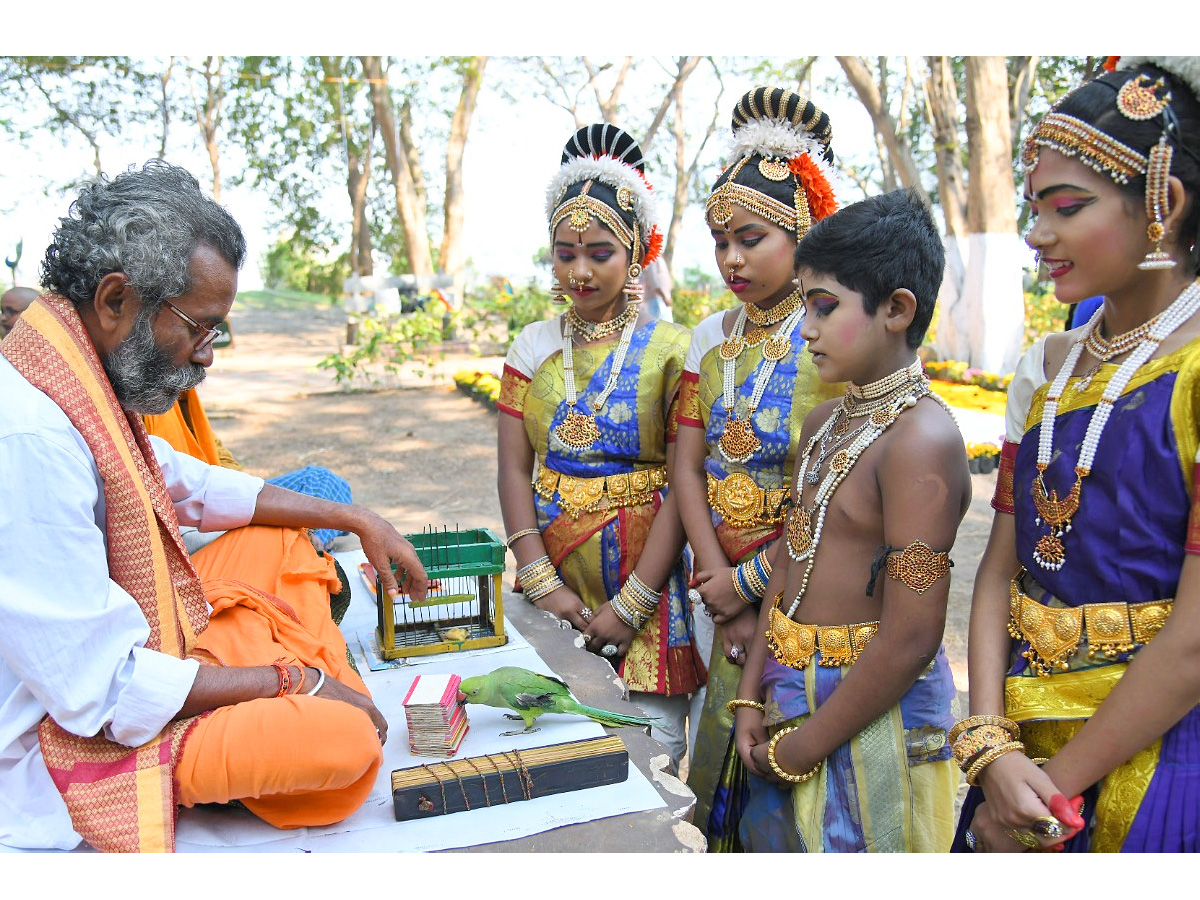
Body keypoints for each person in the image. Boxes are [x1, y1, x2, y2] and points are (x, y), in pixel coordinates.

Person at [0, 160, 429, 853]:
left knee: (287, 536)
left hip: (138, 653)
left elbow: (192, 484)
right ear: (116, 300)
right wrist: (298, 679)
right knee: (342, 740)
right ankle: (299, 681)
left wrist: (357, 519)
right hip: (67, 739)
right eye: (201, 328)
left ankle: (284, 670)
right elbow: (101, 693)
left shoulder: (71, 371)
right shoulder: (27, 438)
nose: (207, 356)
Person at [953, 56, 1200, 853]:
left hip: (1154, 762)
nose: (1037, 233)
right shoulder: (1049, 367)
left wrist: (1045, 794)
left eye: (1066, 206)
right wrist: (989, 743)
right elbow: (999, 569)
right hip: (1017, 749)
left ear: (1161, 205)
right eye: (1033, 208)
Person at [726, 189, 969, 851]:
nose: (805, 327)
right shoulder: (824, 423)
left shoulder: (921, 441)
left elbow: (912, 637)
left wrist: (805, 745)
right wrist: (751, 696)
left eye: (824, 307)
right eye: (804, 305)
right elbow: (790, 558)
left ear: (897, 309)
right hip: (787, 695)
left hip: (871, 715)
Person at [496, 125, 705, 769]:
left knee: (649, 753)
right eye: (564, 253)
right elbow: (512, 468)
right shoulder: (533, 346)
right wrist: (542, 583)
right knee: (556, 746)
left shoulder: (675, 349)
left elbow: (683, 481)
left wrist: (634, 602)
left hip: (648, 579)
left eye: (599, 252)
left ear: (636, 252)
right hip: (555, 573)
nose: (579, 272)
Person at [675, 86, 844, 850]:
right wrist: (718, 587)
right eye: (720, 243)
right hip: (718, 584)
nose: (732, 259)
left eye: (750, 239)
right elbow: (686, 465)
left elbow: (844, 494)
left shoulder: (835, 335)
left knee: (790, 777)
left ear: (803, 230)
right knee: (715, 778)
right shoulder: (708, 339)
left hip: (809, 582)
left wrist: (748, 589)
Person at [144, 387, 354, 552]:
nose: (207, 357)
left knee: (323, 481)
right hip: (186, 522)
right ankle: (307, 544)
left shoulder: (180, 390)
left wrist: (242, 488)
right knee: (305, 518)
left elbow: (216, 452)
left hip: (216, 492)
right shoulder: (138, 404)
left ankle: (307, 540)